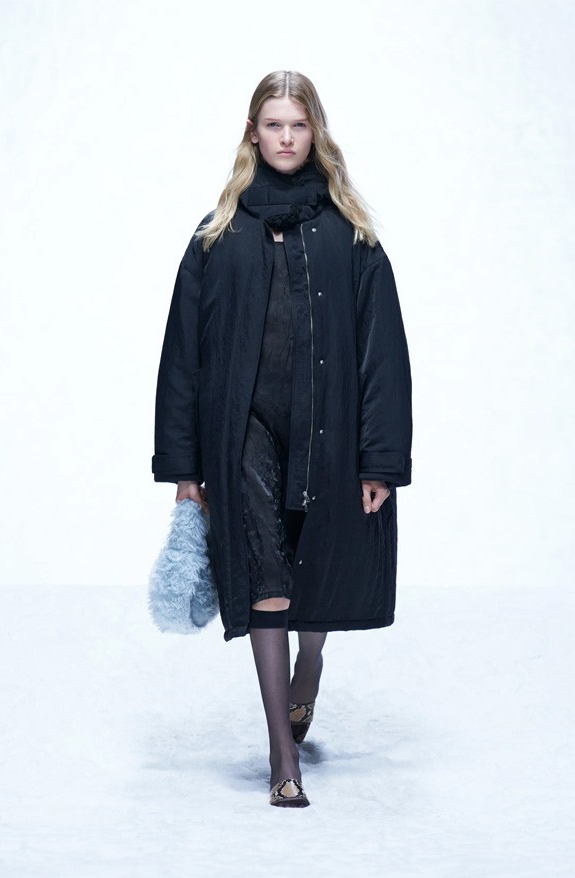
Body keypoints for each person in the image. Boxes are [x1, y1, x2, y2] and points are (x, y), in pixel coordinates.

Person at [152, 71, 413, 808]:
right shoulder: (217, 235)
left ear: (315, 132)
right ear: (253, 133)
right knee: (265, 577)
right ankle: (282, 757)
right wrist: (184, 470)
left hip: (329, 432)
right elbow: (182, 357)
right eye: (274, 124)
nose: (287, 137)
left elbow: (383, 356)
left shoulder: (352, 237)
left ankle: (310, 667)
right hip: (243, 433)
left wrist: (380, 460)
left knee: (316, 578)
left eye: (298, 124)